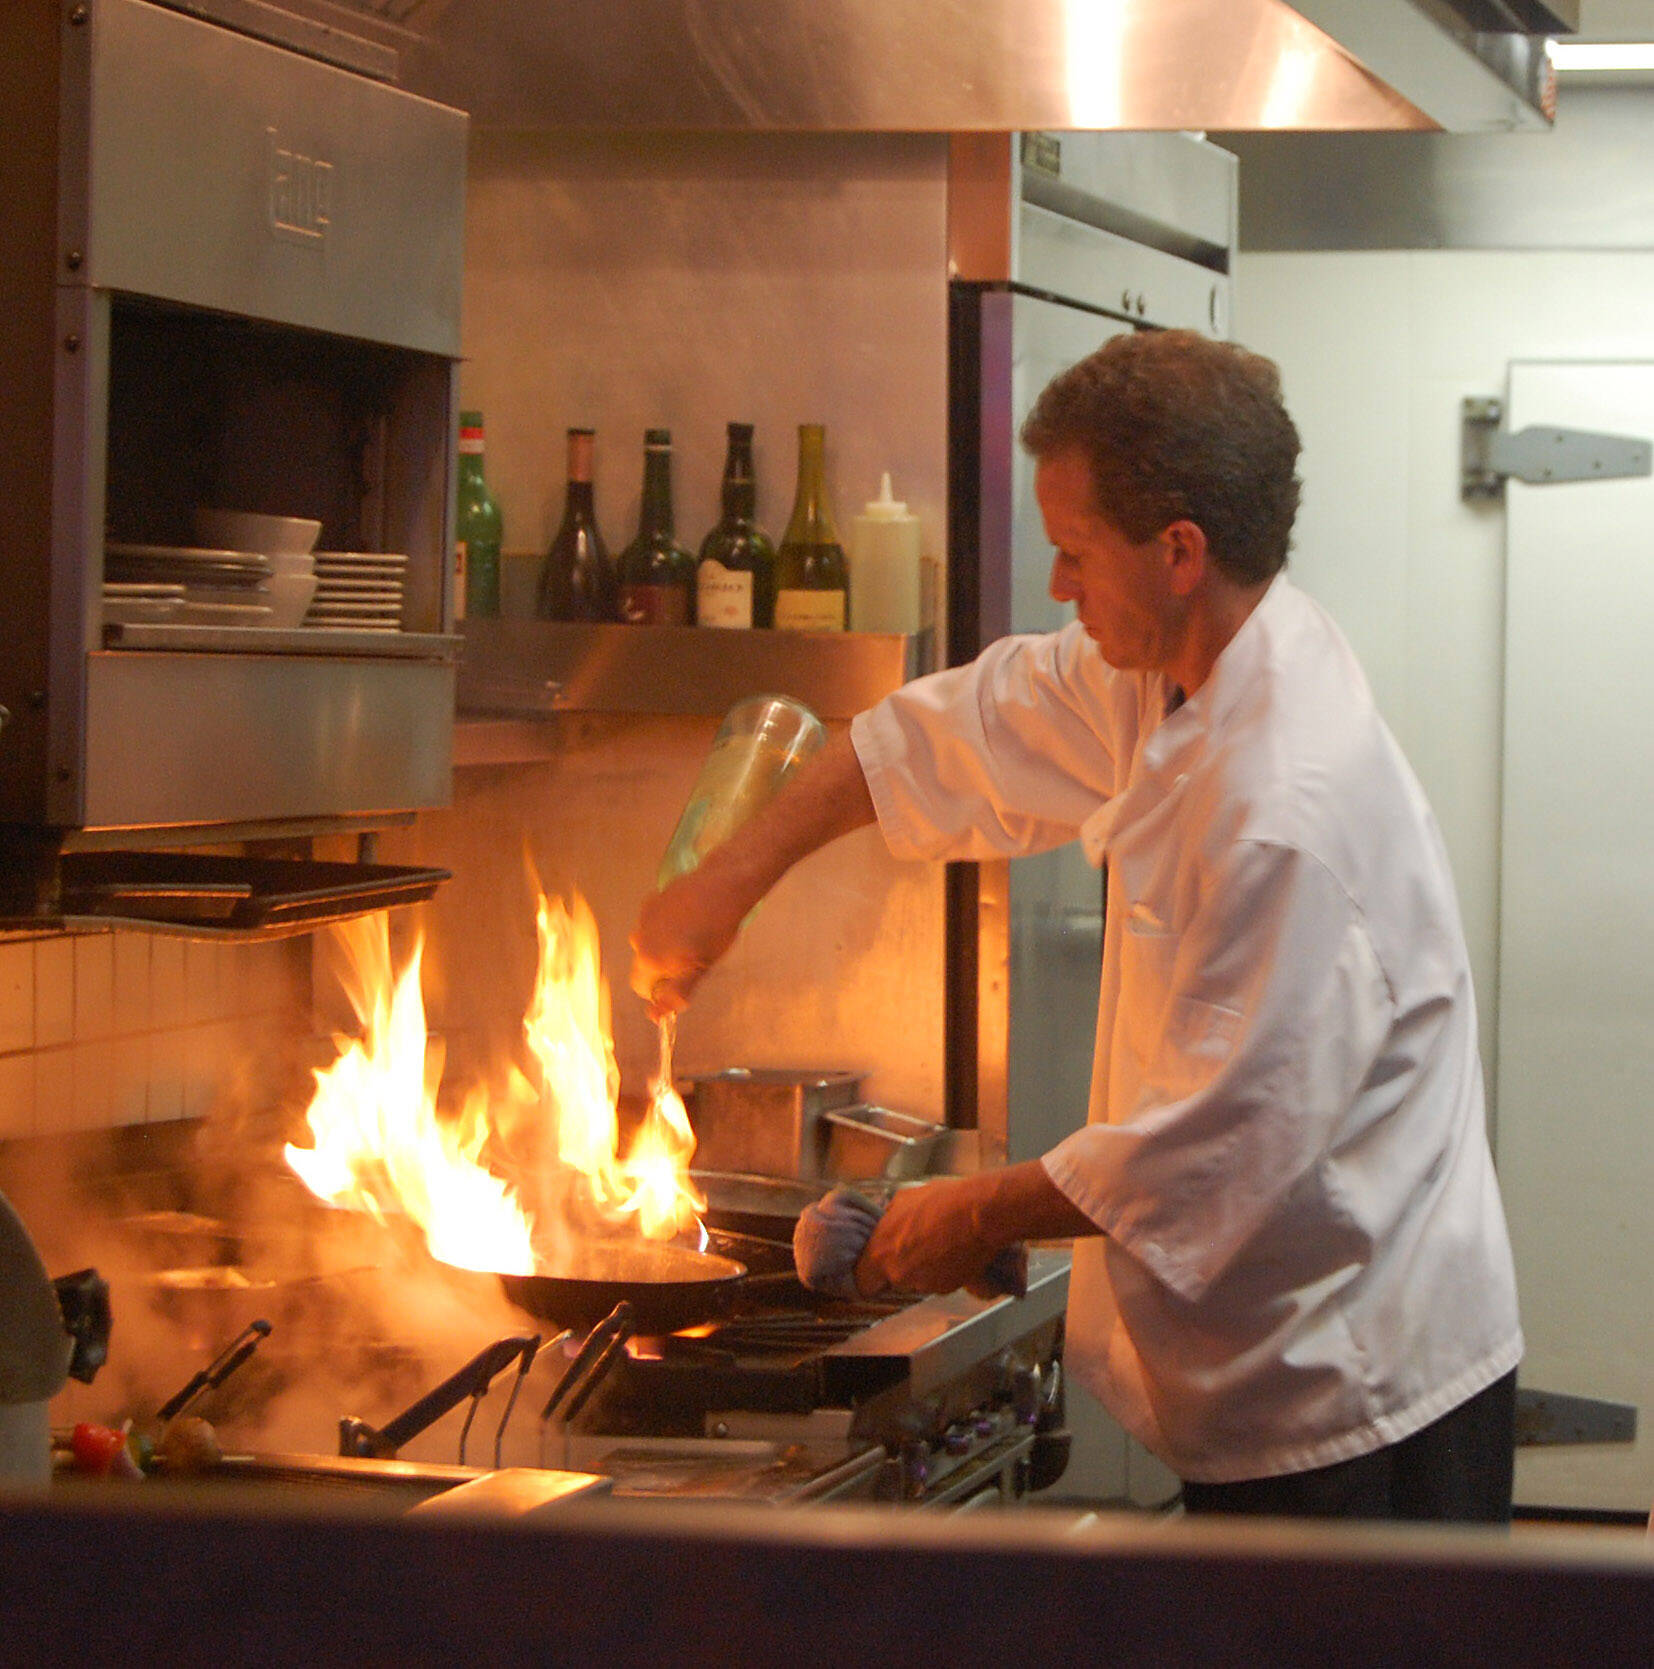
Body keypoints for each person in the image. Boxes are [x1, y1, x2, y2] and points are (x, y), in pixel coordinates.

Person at [629, 330, 1522, 1523]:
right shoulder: (1168, 662)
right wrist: (725, 880)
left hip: (1359, 1390)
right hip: (1282, 1353)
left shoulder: (1287, 809)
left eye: (1071, 552)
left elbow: (1216, 1150)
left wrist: (971, 1210)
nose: (1057, 585)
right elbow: (945, 733)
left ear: (1179, 552)